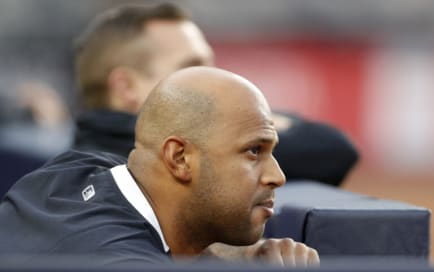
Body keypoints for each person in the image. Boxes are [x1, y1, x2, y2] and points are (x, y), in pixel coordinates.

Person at [0, 67, 320, 266]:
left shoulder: (79, 167)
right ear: (179, 159)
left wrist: (235, 257)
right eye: (254, 151)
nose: (277, 176)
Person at [72, 2, 358, 186]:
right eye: (191, 66)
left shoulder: (81, 154)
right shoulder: (178, 154)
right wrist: (263, 121)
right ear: (126, 87)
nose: (213, 78)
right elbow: (332, 152)